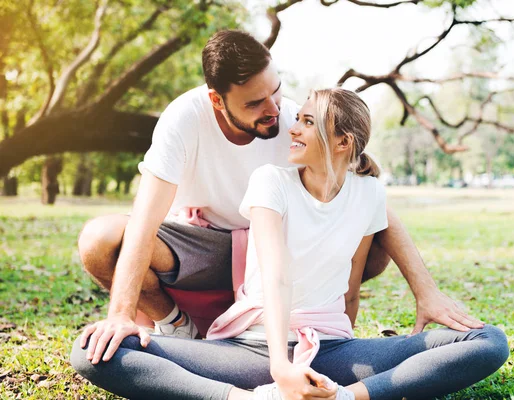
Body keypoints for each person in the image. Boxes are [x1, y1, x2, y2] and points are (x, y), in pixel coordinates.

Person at [75, 29, 483, 367]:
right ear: (217, 99)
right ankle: (177, 326)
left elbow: (371, 202)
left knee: (375, 242)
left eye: (276, 91)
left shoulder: (296, 123)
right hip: (206, 250)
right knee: (100, 239)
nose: (274, 110)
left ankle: (328, 341)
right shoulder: (184, 119)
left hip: (279, 252)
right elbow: (145, 221)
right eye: (254, 103)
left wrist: (426, 292)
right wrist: (120, 316)